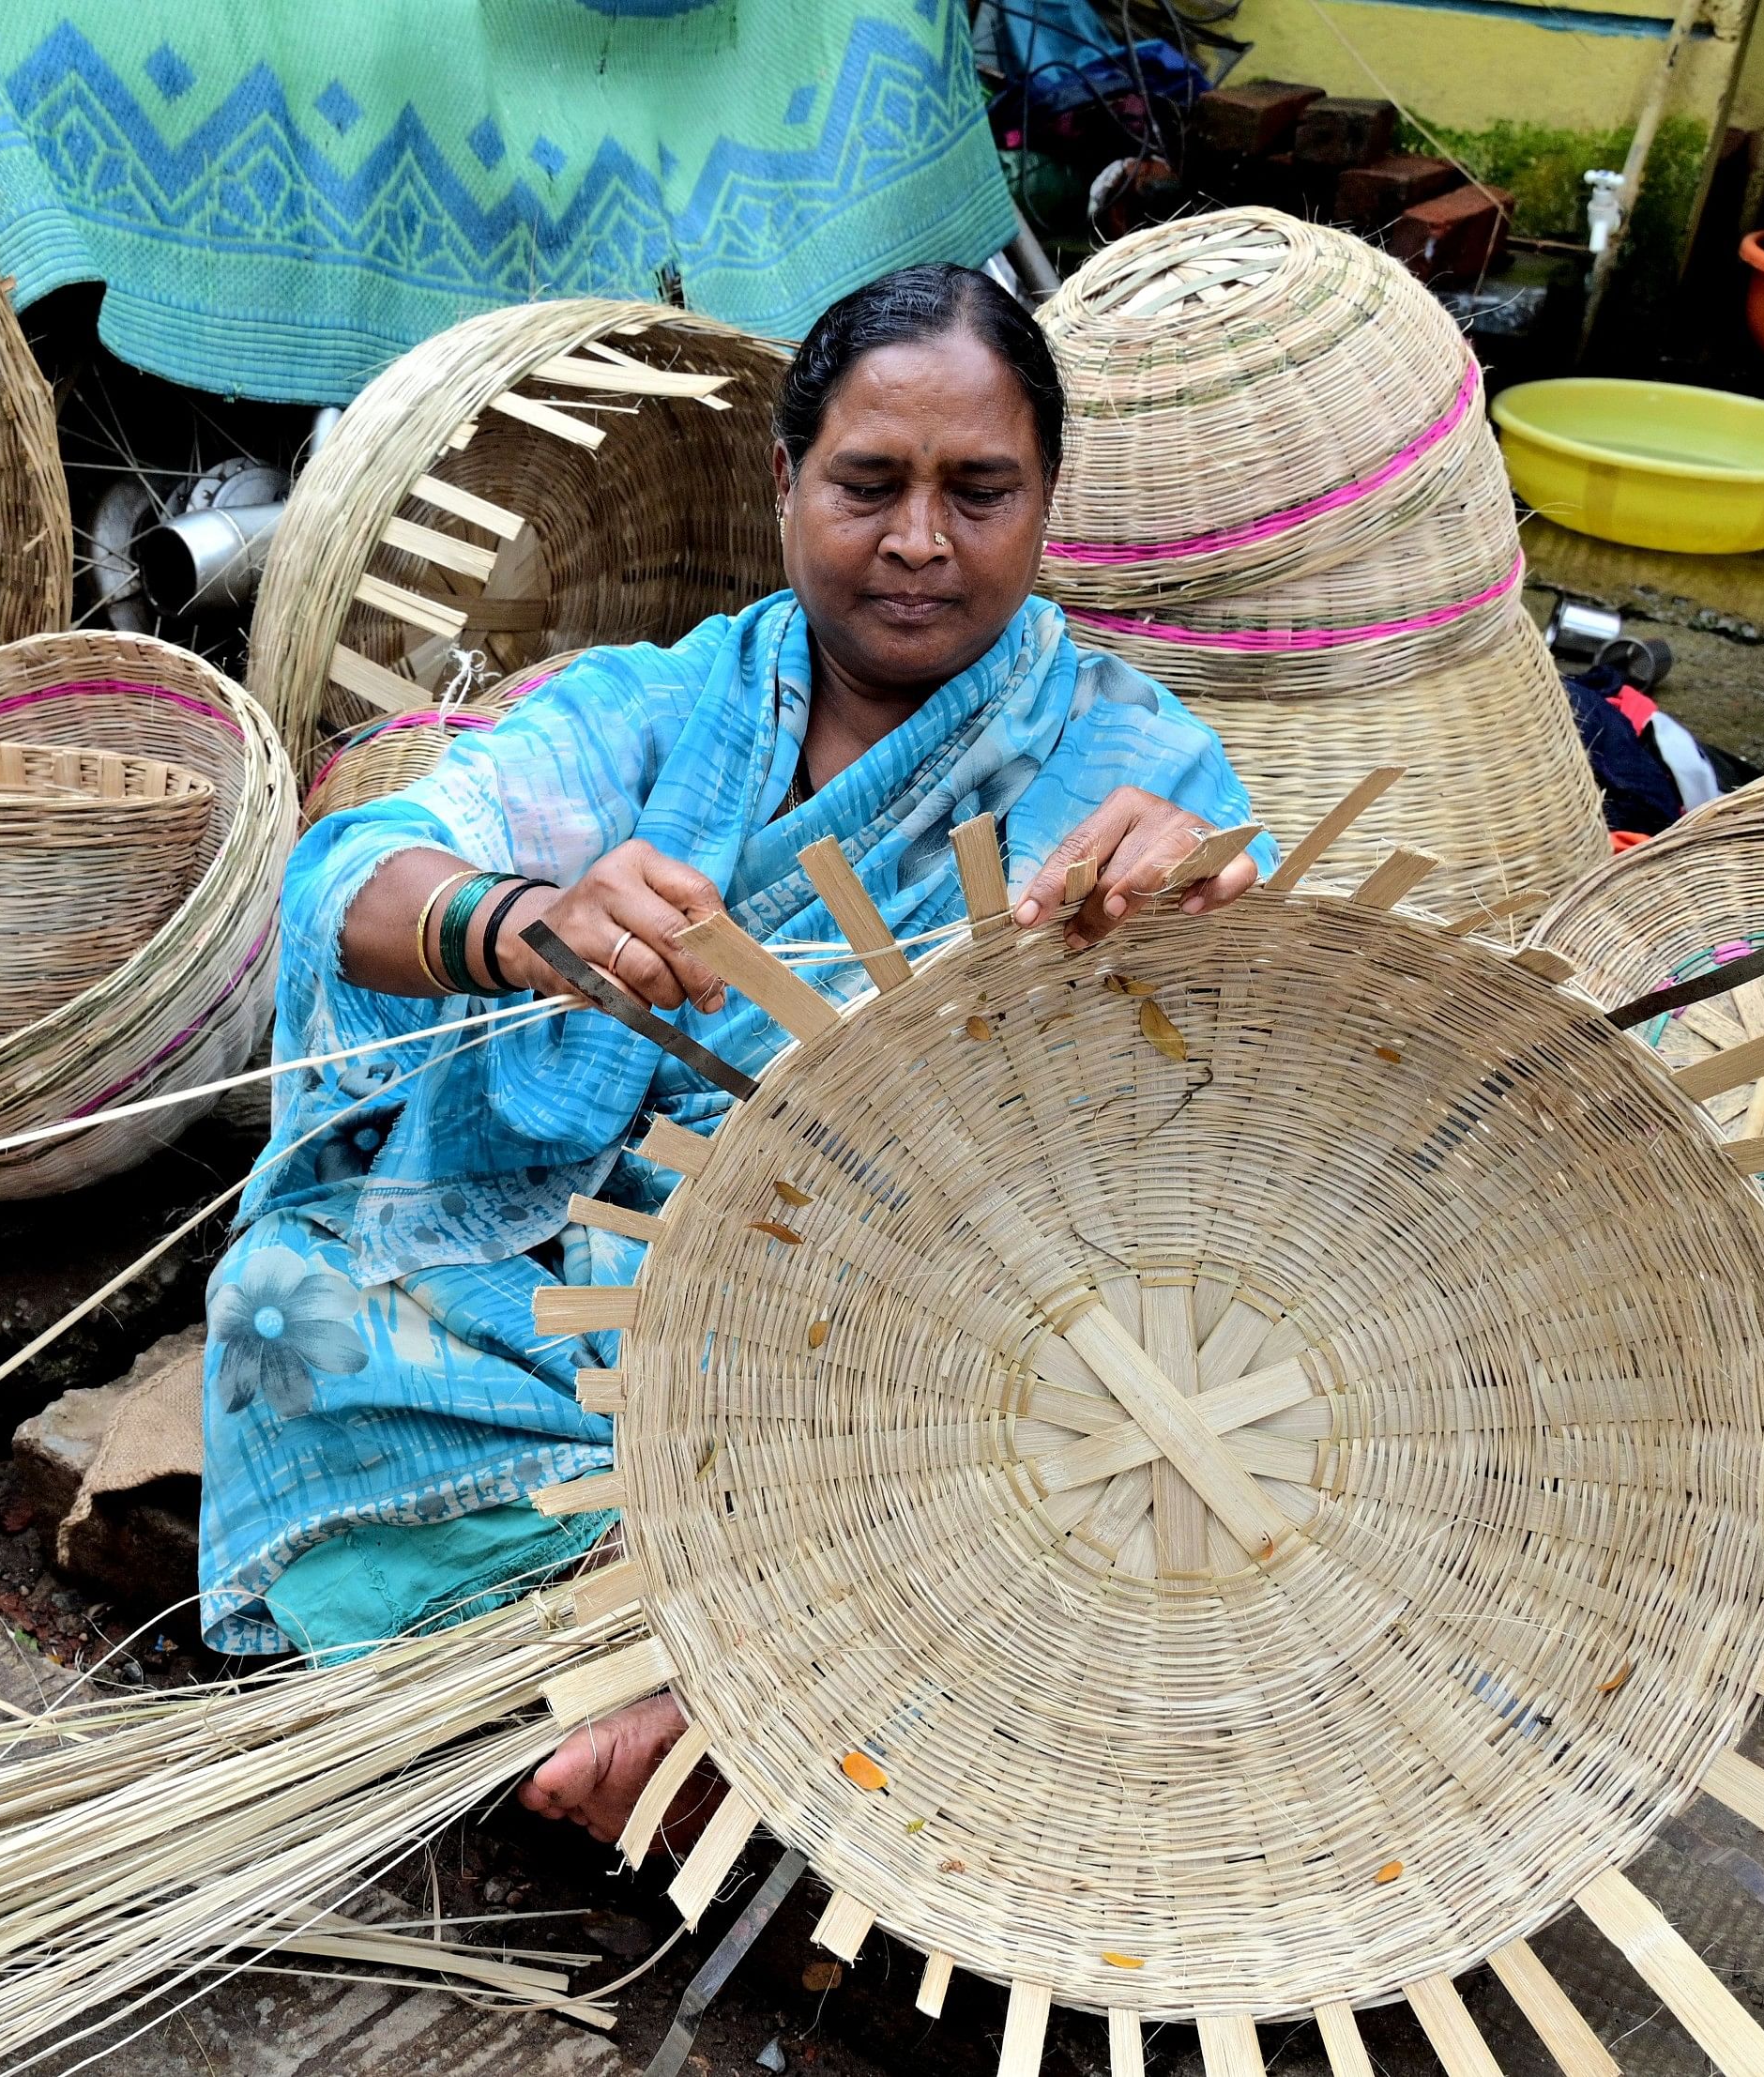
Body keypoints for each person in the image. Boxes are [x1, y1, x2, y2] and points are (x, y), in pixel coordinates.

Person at [196, 261, 1269, 1847]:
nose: (919, 541)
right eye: (866, 485)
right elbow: (354, 875)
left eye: (980, 490)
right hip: (574, 1285)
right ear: (784, 483)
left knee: (1076, 1464)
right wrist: (521, 920)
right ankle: (710, 1656)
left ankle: (669, 1661)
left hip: (897, 1345)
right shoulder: (664, 704)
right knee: (281, 1309)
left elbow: (1220, 1139)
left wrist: (1202, 931)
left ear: (1049, 502)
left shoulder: (1133, 762)